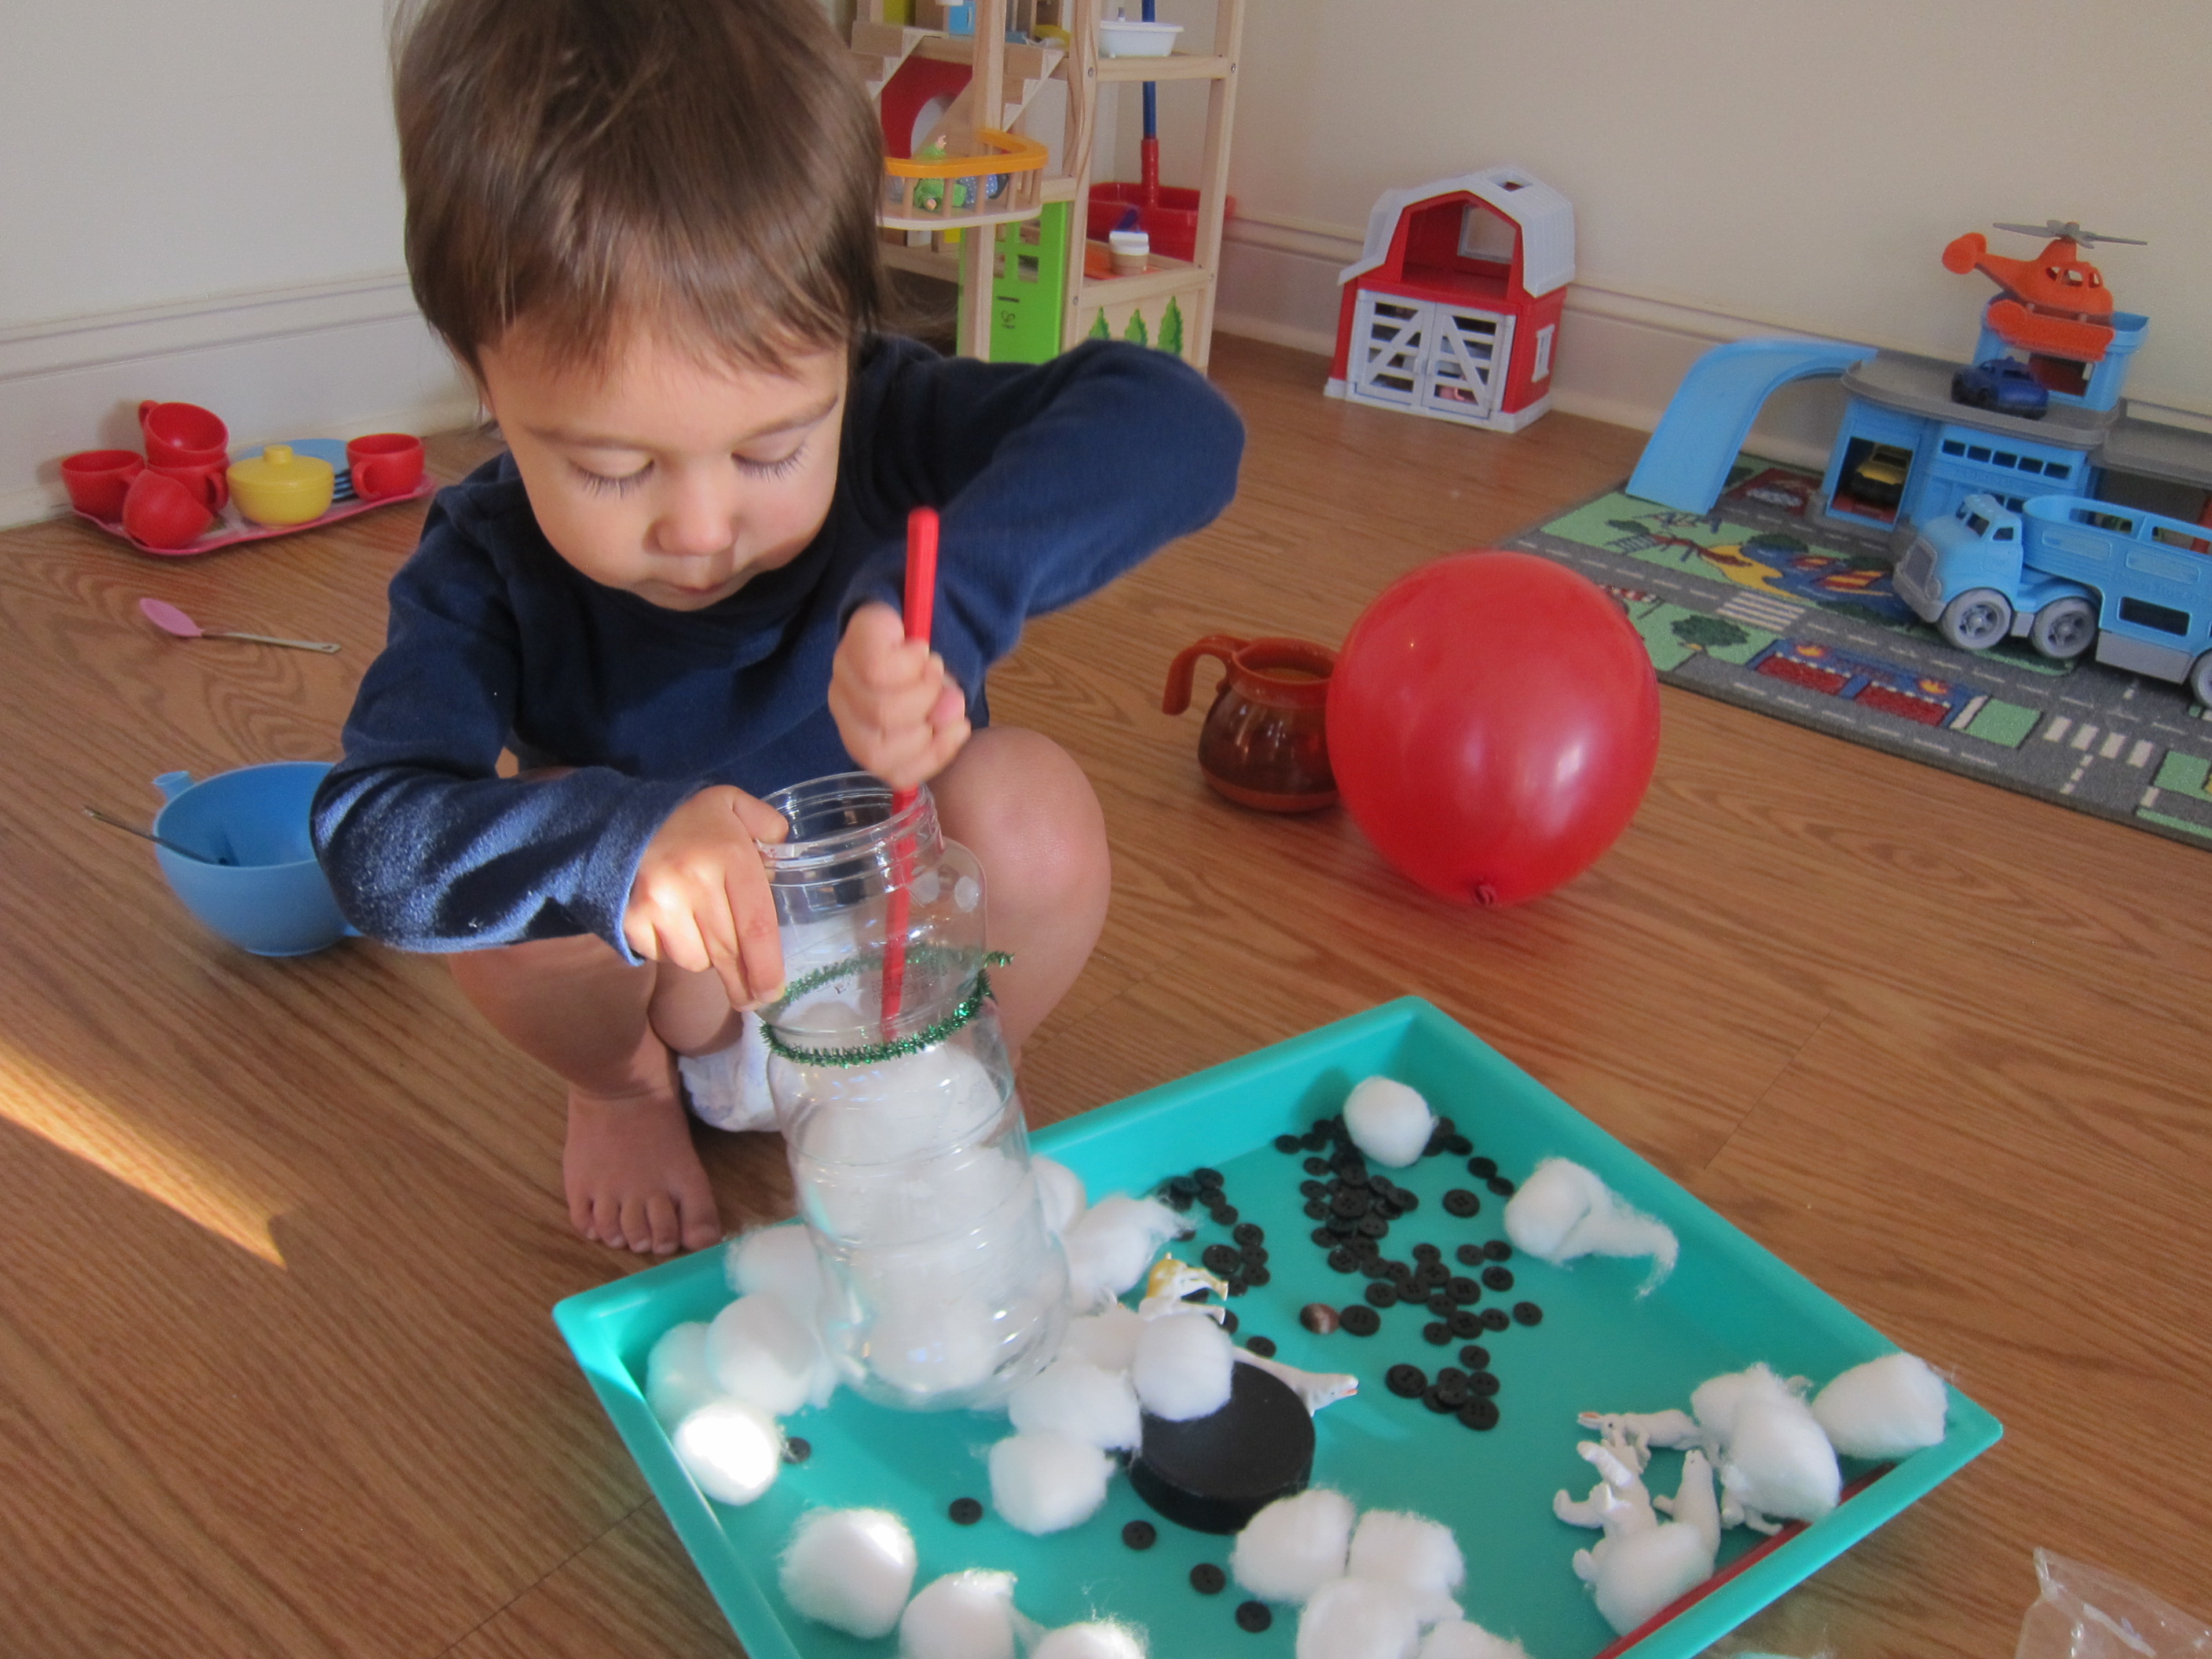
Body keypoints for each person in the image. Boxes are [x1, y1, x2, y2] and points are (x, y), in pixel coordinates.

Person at [313, 0, 1243, 1257]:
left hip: (905, 953)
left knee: (1033, 801)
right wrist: (621, 848)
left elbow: (1182, 428)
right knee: (519, 938)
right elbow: (371, 841)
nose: (703, 528)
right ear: (487, 383)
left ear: (846, 354)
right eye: (611, 467)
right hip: (687, 996)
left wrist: (944, 606)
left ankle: (952, 1084)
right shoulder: (485, 558)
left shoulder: (889, 422)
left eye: (769, 449)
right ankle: (621, 1093)